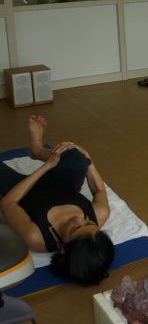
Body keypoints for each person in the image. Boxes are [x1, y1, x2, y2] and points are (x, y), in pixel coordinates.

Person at [0, 116, 114, 286]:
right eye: (88, 223)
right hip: (60, 186)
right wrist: (88, 162)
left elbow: (9, 203)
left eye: (74, 228)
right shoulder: (100, 214)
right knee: (76, 156)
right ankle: (37, 150)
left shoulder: (37, 238)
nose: (78, 219)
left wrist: (47, 166)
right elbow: (99, 191)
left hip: (17, 193)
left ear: (62, 248)